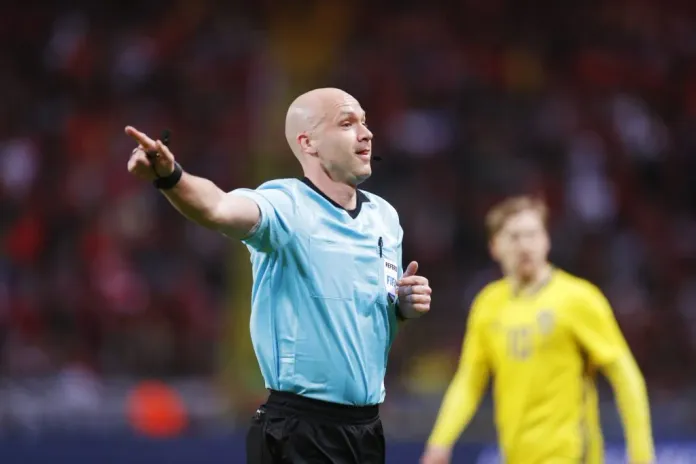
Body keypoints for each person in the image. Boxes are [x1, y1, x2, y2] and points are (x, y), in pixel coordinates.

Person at [125, 87, 432, 464]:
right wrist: (170, 176)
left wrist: (402, 308)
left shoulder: (385, 217)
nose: (366, 133)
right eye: (347, 123)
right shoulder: (284, 205)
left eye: (365, 123)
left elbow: (369, 316)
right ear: (310, 143)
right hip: (299, 431)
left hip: (366, 430)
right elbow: (218, 207)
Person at [420, 196, 654, 464]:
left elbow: (626, 376)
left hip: (571, 456)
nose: (525, 246)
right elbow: (469, 381)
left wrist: (641, 455)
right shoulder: (488, 305)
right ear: (495, 246)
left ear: (546, 241)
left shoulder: (578, 299)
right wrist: (439, 442)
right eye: (514, 237)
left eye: (532, 234)